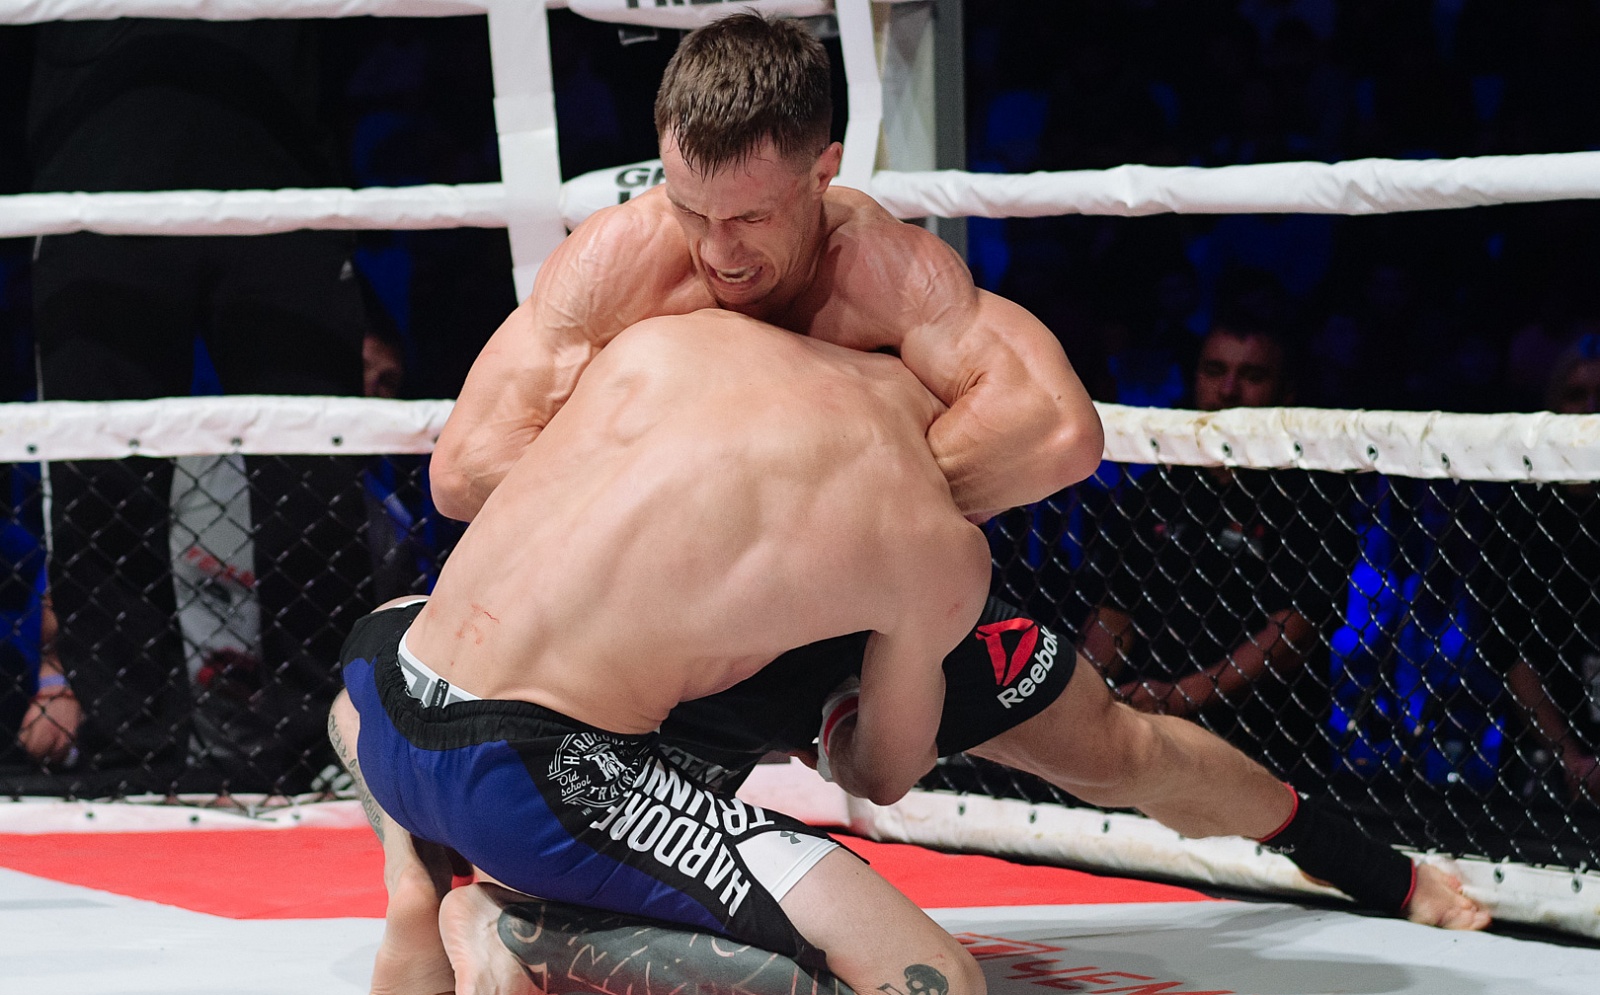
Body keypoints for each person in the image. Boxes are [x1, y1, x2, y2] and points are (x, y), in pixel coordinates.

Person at [430, 13, 1484, 941]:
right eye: (692, 210)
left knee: (1110, 747)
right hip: (686, 622)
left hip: (868, 606)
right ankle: (444, 917)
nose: (719, 253)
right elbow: (467, 468)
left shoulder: (882, 273)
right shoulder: (622, 262)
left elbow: (1056, 429)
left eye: (749, 218)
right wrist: (695, 529)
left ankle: (1374, 870)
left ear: (822, 171)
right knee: (421, 679)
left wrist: (829, 531)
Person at [334, 309, 991, 995]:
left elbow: (459, 480)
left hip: (385, 693)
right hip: (530, 781)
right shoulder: (934, 540)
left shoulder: (674, 340)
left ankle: (410, 873)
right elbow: (878, 775)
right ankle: (529, 941)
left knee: (403, 626)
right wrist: (851, 704)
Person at [25, 19, 372, 793]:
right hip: (95, 178)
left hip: (281, 175)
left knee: (312, 474)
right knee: (101, 476)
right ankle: (131, 751)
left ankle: (327, 737)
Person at [1079, 317, 1355, 788]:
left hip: (1267, 750)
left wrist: (1180, 697)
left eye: (1252, 376)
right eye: (1214, 370)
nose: (1228, 390)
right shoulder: (1157, 489)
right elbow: (1113, 614)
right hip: (1148, 740)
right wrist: (1082, 704)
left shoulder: (1311, 499)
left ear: (1285, 392)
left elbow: (1292, 636)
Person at [1475, 340, 1600, 803]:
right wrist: (1571, 756)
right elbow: (1509, 651)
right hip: (1541, 757)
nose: (1590, 411)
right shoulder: (1521, 516)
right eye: (1576, 396)